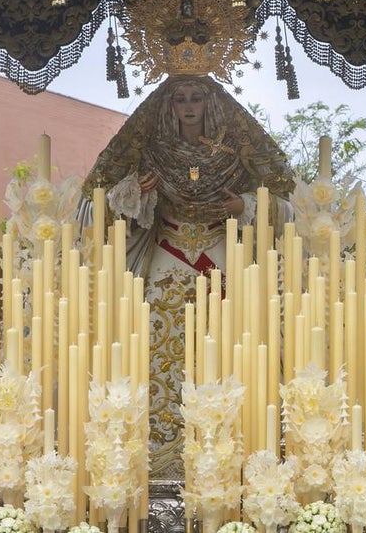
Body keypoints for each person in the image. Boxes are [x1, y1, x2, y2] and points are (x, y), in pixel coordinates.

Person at [82, 72, 295, 479]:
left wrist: (242, 206)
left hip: (222, 258)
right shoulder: (151, 154)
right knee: (156, 348)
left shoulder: (235, 155)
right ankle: (161, 449)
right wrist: (136, 192)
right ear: (169, 106)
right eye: (181, 99)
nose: (190, 107)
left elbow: (285, 205)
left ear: (210, 104)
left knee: (230, 346)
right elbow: (97, 207)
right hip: (167, 259)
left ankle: (230, 446)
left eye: (197, 98)